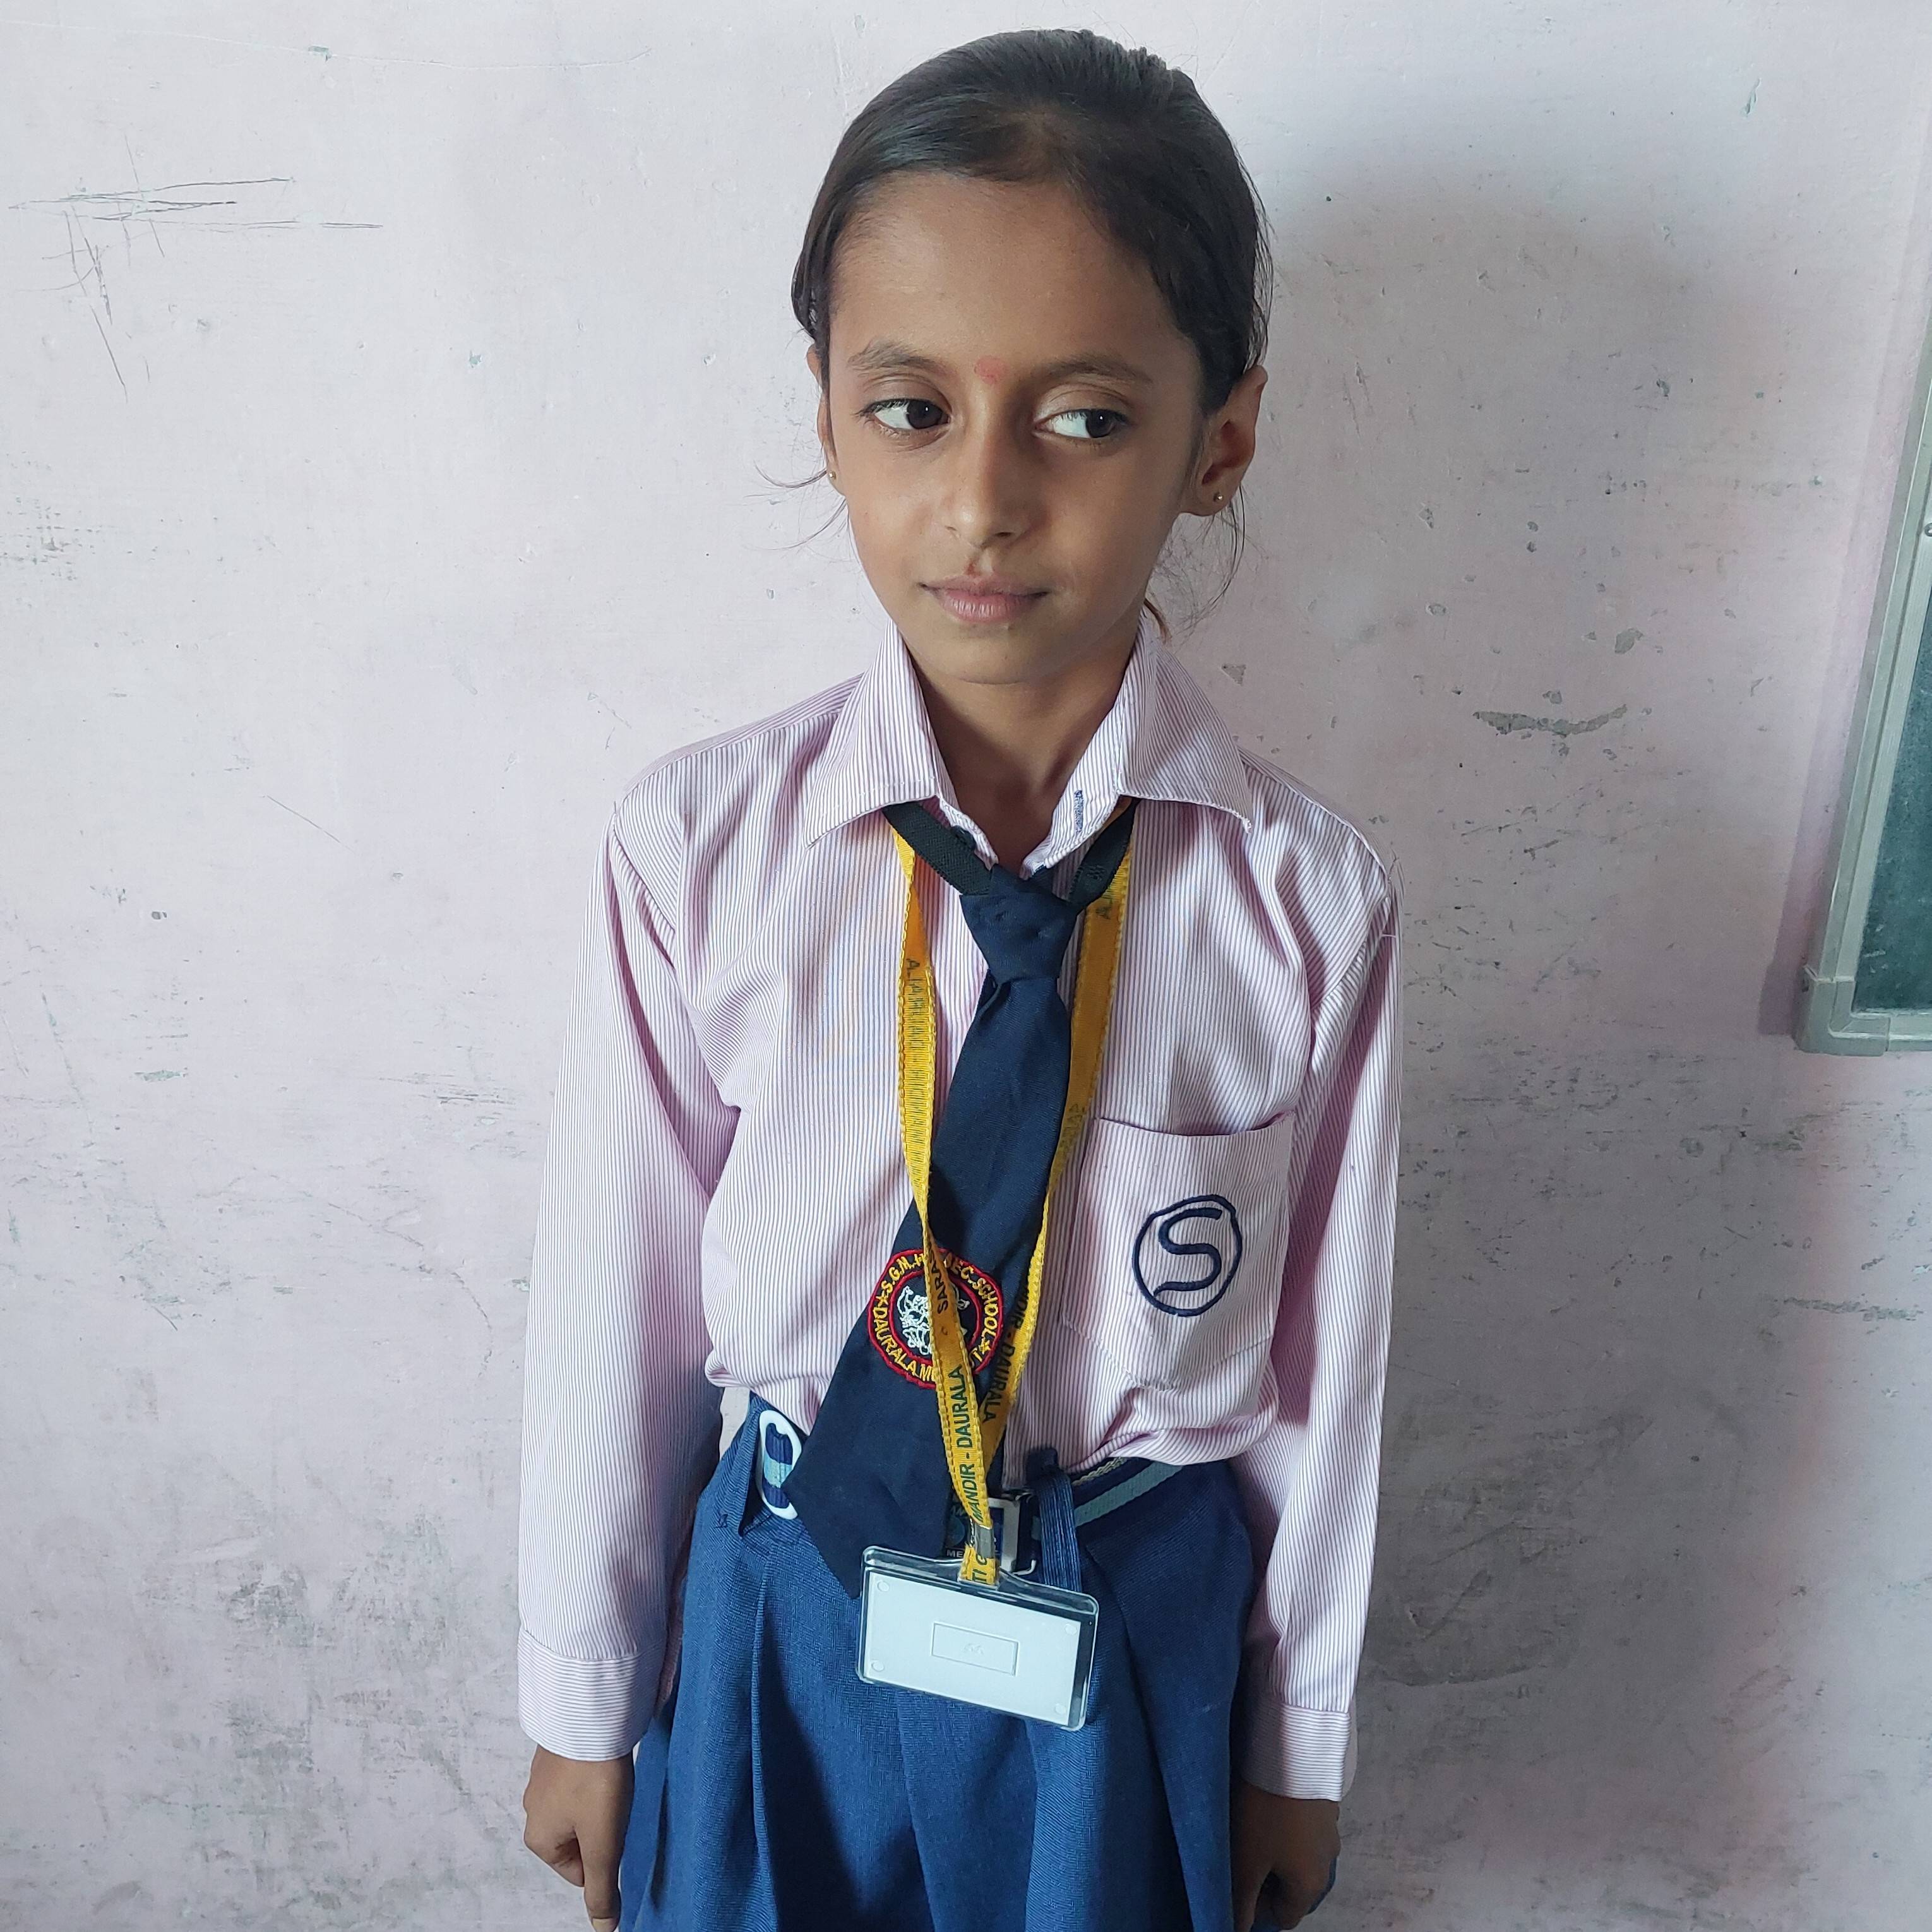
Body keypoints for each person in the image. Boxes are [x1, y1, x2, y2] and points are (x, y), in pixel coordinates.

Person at [517, 27, 1401, 1932]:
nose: (984, 500)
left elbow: (1330, 1365)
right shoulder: (700, 850)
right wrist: (585, 1697)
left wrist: (1296, 1743)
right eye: (911, 408)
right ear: (828, 413)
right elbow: (618, 1300)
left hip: (1129, 1612)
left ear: (1220, 438)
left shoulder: (1304, 897)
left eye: (1082, 420)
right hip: (786, 1599)